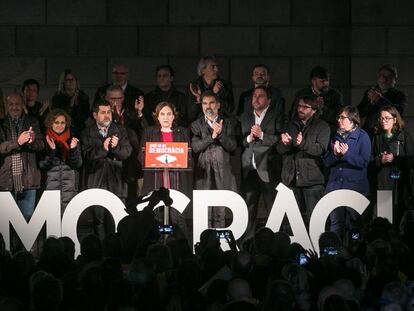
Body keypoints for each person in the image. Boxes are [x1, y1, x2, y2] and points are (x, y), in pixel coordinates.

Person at [140, 102, 191, 239]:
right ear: (157, 117)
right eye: (162, 114)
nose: (166, 117)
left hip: (177, 182)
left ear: (174, 116)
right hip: (155, 181)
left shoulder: (183, 132)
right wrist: (156, 158)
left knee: (178, 220)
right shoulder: (149, 132)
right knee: (154, 221)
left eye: (169, 114)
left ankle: (182, 252)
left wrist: (177, 159)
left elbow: (189, 157)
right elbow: (141, 156)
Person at [81, 101, 132, 238]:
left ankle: (117, 252)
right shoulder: (87, 132)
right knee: (98, 221)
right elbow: (86, 156)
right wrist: (103, 149)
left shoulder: (120, 130)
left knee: (118, 219)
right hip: (95, 181)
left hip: (117, 182)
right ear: (95, 115)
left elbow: (127, 153)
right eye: (103, 113)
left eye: (108, 112)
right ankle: (102, 250)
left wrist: (116, 148)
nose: (106, 116)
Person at [277, 94, 330, 227]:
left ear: (314, 110)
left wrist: (302, 144)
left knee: (316, 223)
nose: (300, 109)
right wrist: (285, 144)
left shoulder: (322, 126)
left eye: (305, 107)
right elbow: (279, 150)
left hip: (312, 181)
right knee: (291, 224)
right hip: (291, 179)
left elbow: (320, 150)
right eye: (299, 106)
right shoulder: (290, 125)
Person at [240, 86, 283, 241]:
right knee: (248, 209)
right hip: (249, 169)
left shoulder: (275, 116)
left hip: (267, 169)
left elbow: (279, 139)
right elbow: (240, 141)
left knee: (272, 208)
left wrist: (262, 135)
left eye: (261, 96)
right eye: (254, 96)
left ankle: (273, 242)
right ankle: (247, 243)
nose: (256, 99)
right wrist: (249, 138)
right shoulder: (245, 117)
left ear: (269, 101)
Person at [191, 91, 237, 228]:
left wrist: (221, 134)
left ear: (218, 105)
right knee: (204, 210)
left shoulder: (228, 123)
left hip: (222, 170)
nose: (208, 106)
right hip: (203, 171)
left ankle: (220, 245)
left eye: (211, 103)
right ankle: (205, 243)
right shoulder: (196, 124)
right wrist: (212, 136)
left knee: (220, 211)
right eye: (204, 103)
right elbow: (195, 147)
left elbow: (232, 146)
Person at [324, 106, 371, 239]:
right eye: (338, 117)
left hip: (355, 188)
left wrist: (346, 154)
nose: (339, 120)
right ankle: (335, 253)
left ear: (352, 120)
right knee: (335, 223)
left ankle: (355, 251)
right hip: (335, 188)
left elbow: (364, 162)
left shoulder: (363, 136)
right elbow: (327, 161)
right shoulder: (335, 136)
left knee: (355, 224)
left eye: (342, 117)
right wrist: (336, 155)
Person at [0, 92, 44, 222]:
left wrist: (33, 141)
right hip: (6, 181)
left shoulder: (32, 121)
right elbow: (1, 147)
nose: (14, 107)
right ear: (7, 106)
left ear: (22, 104)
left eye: (17, 104)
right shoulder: (1, 124)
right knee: (6, 225)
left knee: (26, 223)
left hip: (28, 180)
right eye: (11, 104)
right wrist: (17, 143)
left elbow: (42, 145)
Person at [371, 105, 414, 227]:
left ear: (395, 119)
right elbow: (370, 161)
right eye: (381, 118)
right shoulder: (377, 137)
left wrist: (395, 159)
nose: (384, 121)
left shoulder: (404, 136)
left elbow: (411, 159)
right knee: (385, 220)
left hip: (401, 186)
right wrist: (381, 160)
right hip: (384, 184)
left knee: (400, 219)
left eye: (387, 118)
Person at [39, 109, 82, 211]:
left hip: (69, 187)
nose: (60, 125)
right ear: (50, 123)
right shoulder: (44, 140)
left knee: (68, 218)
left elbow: (77, 164)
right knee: (52, 220)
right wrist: (52, 150)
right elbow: (42, 165)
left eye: (62, 122)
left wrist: (73, 149)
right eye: (56, 122)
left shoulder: (72, 140)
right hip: (50, 186)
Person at [358, 64, 407, 137]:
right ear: (378, 78)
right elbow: (361, 112)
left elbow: (398, 112)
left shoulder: (399, 95)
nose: (384, 79)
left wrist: (378, 100)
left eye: (389, 77)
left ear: (395, 80)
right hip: (370, 133)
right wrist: (371, 102)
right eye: (382, 76)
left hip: (389, 134)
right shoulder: (371, 91)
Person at [290, 66, 343, 132]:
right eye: (322, 81)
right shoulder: (302, 94)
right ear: (313, 81)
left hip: (327, 132)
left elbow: (338, 117)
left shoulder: (335, 95)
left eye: (327, 80)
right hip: (304, 132)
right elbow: (293, 115)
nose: (326, 83)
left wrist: (323, 108)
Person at [188, 56, 234, 122]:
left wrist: (218, 95)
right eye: (213, 67)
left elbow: (230, 109)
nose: (216, 69)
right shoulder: (194, 86)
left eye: (217, 66)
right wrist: (201, 98)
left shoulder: (225, 85)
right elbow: (191, 114)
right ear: (203, 70)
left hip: (221, 123)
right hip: (199, 126)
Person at [51, 70, 91, 137]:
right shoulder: (57, 98)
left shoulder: (83, 97)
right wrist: (70, 105)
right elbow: (58, 114)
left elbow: (85, 115)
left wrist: (77, 103)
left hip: (80, 130)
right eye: (68, 79)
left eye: (73, 79)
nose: (71, 81)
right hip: (63, 130)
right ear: (63, 82)